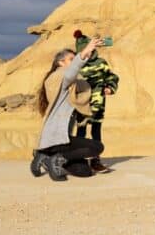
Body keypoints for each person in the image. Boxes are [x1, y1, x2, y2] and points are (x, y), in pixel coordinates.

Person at [30, 37, 105, 181]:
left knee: (84, 171)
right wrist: (85, 52)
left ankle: (44, 156)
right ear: (61, 63)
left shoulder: (68, 84)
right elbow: (71, 72)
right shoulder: (60, 78)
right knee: (97, 147)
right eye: (71, 59)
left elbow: (78, 79)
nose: (74, 61)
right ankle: (57, 159)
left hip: (59, 142)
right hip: (57, 139)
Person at [72, 30, 119, 173]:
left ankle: (95, 160)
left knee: (96, 133)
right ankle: (79, 160)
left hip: (98, 105)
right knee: (80, 132)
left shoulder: (101, 63)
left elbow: (112, 77)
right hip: (81, 105)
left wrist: (110, 88)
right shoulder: (76, 64)